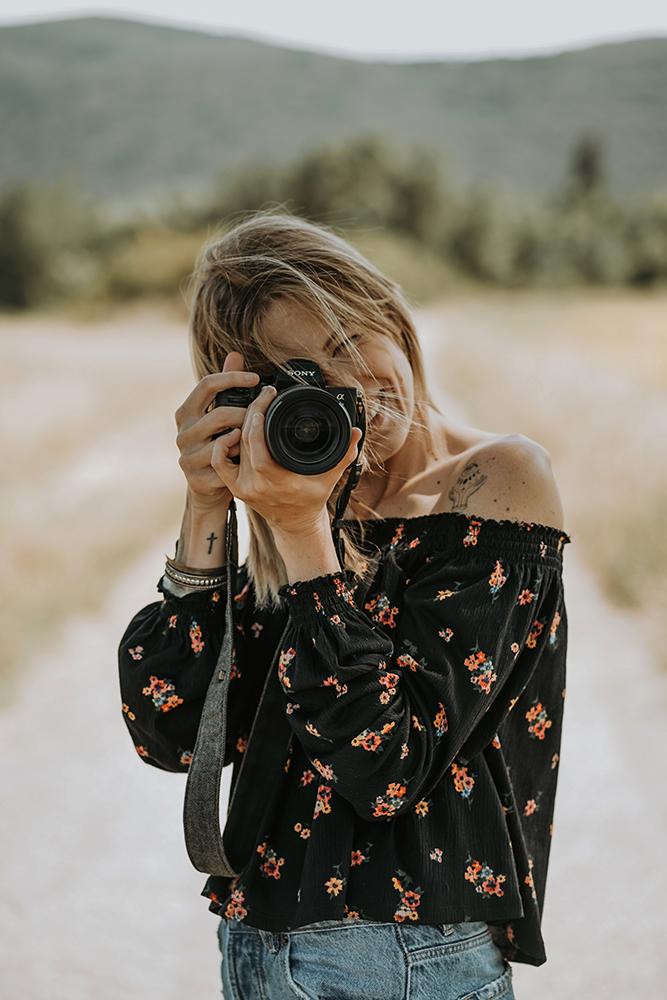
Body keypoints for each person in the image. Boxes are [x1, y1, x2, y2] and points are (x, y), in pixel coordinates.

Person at [118, 211, 572, 1000]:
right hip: (256, 943)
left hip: (407, 956)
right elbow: (174, 735)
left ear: (393, 319)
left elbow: (389, 765)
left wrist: (299, 533)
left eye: (346, 343)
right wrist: (204, 507)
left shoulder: (494, 483)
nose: (348, 388)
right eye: (303, 377)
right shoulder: (293, 497)